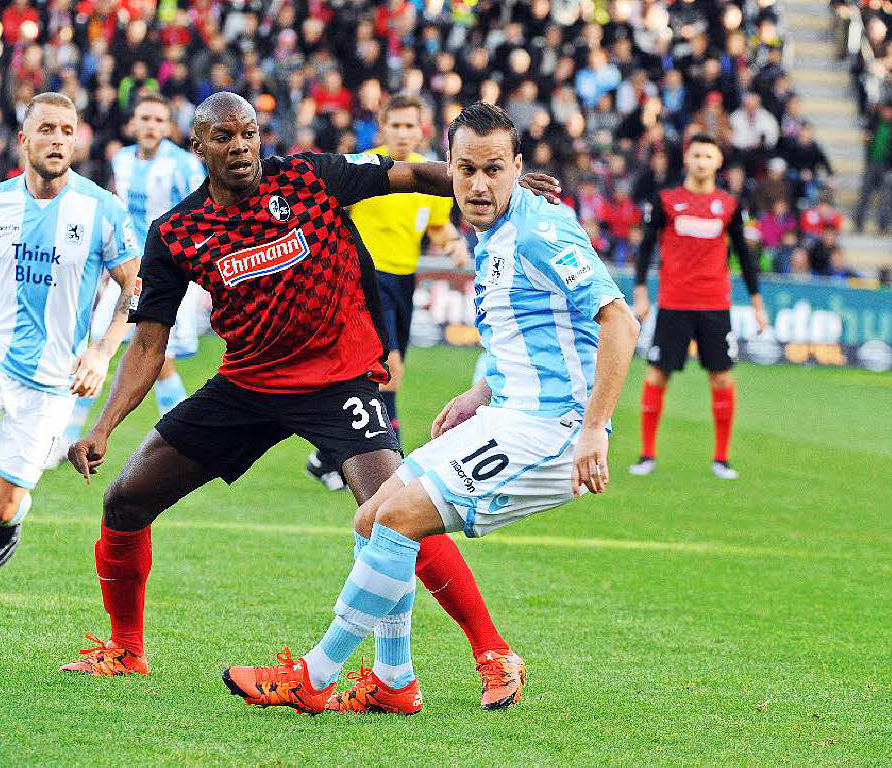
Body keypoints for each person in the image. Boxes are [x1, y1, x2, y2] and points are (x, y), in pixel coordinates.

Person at [59, 93, 561, 712]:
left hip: (340, 378)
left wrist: (493, 191)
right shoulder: (176, 232)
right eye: (224, 138)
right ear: (199, 149)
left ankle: (492, 652)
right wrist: (103, 427)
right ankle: (125, 647)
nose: (241, 148)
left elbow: (405, 174)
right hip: (248, 385)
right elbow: (147, 344)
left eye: (248, 134)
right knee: (126, 499)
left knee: (397, 509)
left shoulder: (306, 177)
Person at [221, 102, 640, 715]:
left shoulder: (539, 231)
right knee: (372, 516)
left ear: (517, 168)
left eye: (494, 170)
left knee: (395, 521)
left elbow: (618, 322)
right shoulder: (492, 231)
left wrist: (594, 429)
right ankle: (395, 681)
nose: (477, 184)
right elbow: (532, 332)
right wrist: (480, 392)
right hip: (510, 413)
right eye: (465, 168)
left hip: (551, 431)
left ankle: (312, 676)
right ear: (450, 166)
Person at [0, 92, 139, 567]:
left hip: (52, 379)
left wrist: (103, 351)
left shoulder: (101, 209)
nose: (58, 140)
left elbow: (135, 285)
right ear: (25, 140)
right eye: (47, 129)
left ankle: (11, 517)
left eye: (67, 131)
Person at [305, 93, 470, 491]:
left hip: (402, 282)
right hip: (363, 279)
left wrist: (453, 244)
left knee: (380, 373)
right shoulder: (364, 167)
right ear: (382, 128)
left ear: (421, 130)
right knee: (388, 370)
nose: (401, 132)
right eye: (394, 125)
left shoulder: (430, 174)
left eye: (409, 126)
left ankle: (326, 456)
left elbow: (436, 224)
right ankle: (389, 459)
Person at [47, 93, 206, 467]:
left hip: (171, 276)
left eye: (158, 120)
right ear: (133, 124)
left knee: (159, 357)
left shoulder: (183, 166)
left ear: (168, 127)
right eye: (144, 119)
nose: (150, 126)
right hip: (128, 274)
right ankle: (65, 440)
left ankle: (188, 440)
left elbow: (203, 214)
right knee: (99, 350)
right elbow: (117, 213)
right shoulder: (121, 159)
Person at [630, 134, 769, 480]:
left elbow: (745, 258)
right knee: (656, 374)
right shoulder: (666, 201)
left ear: (718, 161)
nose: (702, 161)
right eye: (697, 155)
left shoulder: (730, 205)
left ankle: (721, 459)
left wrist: (757, 304)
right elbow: (645, 249)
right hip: (674, 302)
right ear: (687, 160)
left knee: (721, 378)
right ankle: (647, 454)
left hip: (714, 304)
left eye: (709, 155)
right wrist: (641, 293)